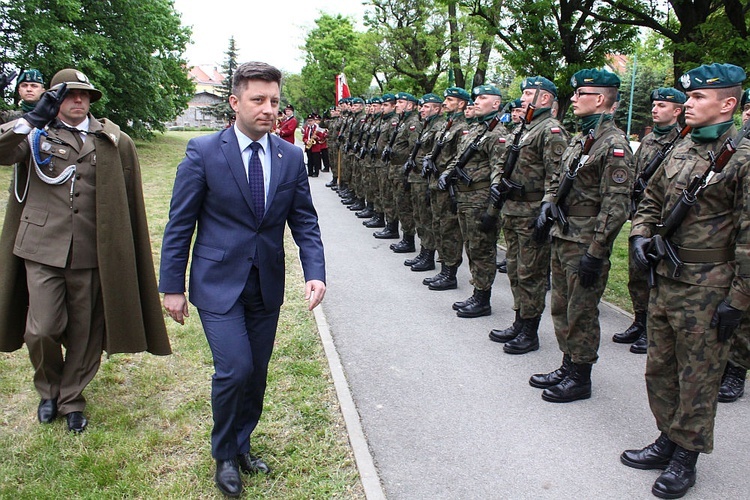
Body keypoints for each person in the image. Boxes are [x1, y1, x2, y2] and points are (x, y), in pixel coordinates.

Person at [159, 61, 326, 498]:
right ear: (235, 102)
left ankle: (243, 443)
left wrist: (315, 273)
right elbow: (180, 224)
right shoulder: (203, 152)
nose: (269, 109)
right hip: (217, 283)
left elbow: (304, 220)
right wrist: (171, 286)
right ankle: (224, 455)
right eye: (258, 100)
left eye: (274, 101)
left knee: (256, 375)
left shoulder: (289, 156)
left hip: (265, 283)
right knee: (235, 369)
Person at [0, 68, 171, 433]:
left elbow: (127, 200)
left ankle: (71, 397)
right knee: (42, 328)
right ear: (54, 99)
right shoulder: (34, 133)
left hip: (93, 248)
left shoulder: (111, 138)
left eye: (85, 95)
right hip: (42, 246)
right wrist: (30, 119)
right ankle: (48, 389)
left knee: (85, 330)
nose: (79, 100)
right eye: (70, 94)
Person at [622, 63, 749, 500]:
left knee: (698, 375)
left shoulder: (743, 159)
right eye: (688, 98)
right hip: (667, 278)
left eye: (697, 98)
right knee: (661, 368)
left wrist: (739, 299)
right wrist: (640, 235)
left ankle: (686, 457)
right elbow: (651, 199)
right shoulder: (681, 149)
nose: (688, 104)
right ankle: (666, 438)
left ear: (727, 104)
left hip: (708, 287)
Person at [529, 69, 634, 402]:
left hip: (585, 241)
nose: (572, 99)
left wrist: (597, 250)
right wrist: (548, 203)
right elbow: (557, 179)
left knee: (582, 311)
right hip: (564, 234)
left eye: (580, 94)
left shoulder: (614, 144)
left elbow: (616, 207)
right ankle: (567, 363)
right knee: (561, 306)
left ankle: (580, 376)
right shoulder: (582, 138)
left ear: (600, 99)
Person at [488, 76, 569, 354]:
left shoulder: (551, 130)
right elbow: (501, 161)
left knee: (530, 274)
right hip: (512, 209)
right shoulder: (524, 127)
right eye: (523, 94)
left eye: (528, 94)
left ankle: (530, 332)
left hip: (533, 212)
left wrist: (547, 207)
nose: (523, 99)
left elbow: (557, 175)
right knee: (514, 269)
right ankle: (519, 321)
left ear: (544, 98)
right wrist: (497, 182)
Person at [612, 87, 686, 354]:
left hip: (667, 220)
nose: (655, 109)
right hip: (643, 215)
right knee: (637, 274)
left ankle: (652, 331)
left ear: (677, 111)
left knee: (656, 277)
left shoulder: (682, 142)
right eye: (654, 104)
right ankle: (639, 321)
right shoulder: (649, 139)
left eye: (662, 106)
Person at [438, 84, 508, 318]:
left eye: (483, 98)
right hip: (465, 197)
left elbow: (500, 171)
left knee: (482, 249)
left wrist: (493, 209)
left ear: (496, 104)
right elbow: (458, 158)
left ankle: (483, 298)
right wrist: (447, 173)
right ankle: (477, 292)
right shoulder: (476, 130)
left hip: (481, 199)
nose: (476, 101)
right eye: (476, 97)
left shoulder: (498, 134)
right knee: (471, 246)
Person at [422, 86, 471, 291]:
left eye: (450, 100)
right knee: (439, 224)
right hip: (437, 182)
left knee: (449, 228)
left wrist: (447, 174)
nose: (445, 103)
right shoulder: (447, 125)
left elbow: (459, 158)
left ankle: (450, 273)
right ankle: (443, 269)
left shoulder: (463, 127)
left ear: (461, 103)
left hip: (449, 185)